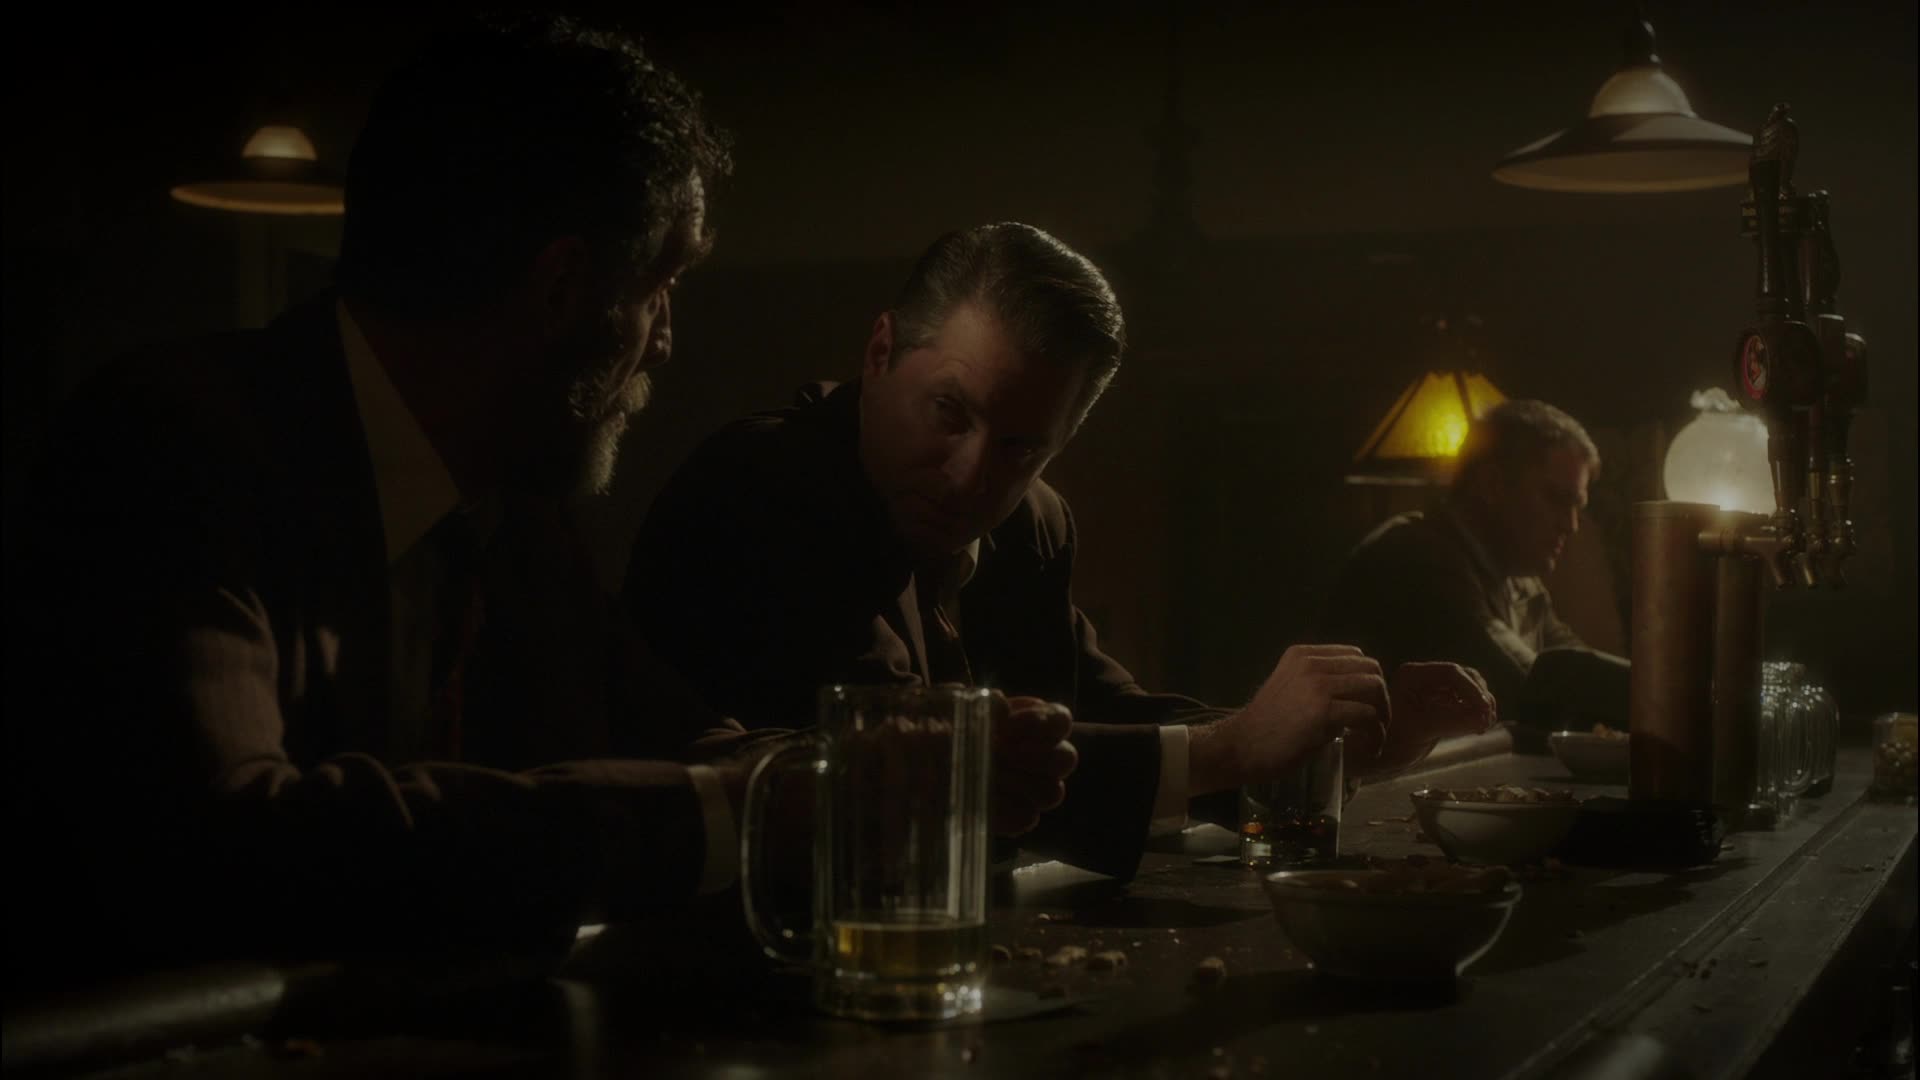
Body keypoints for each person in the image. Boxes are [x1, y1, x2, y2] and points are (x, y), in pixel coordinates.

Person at [3, 18, 1074, 982]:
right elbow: (228, 839)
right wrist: (750, 810)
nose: (665, 340)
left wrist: (862, 774)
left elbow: (677, 735)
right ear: (564, 290)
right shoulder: (169, 447)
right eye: (661, 287)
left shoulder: (514, 513)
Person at [625, 222, 1491, 880]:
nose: (971, 475)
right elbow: (926, 769)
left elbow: (1100, 716)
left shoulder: (1031, 522)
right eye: (950, 412)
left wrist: (1324, 745)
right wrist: (1236, 750)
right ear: (880, 352)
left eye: (1020, 447)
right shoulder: (769, 481)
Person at [1319, 399, 1630, 739]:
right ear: (1493, 485)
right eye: (1557, 499)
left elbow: (1576, 671)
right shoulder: (1418, 558)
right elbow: (1531, 688)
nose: (1571, 525)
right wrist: (1657, 699)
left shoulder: (1520, 581)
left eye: (1577, 506)